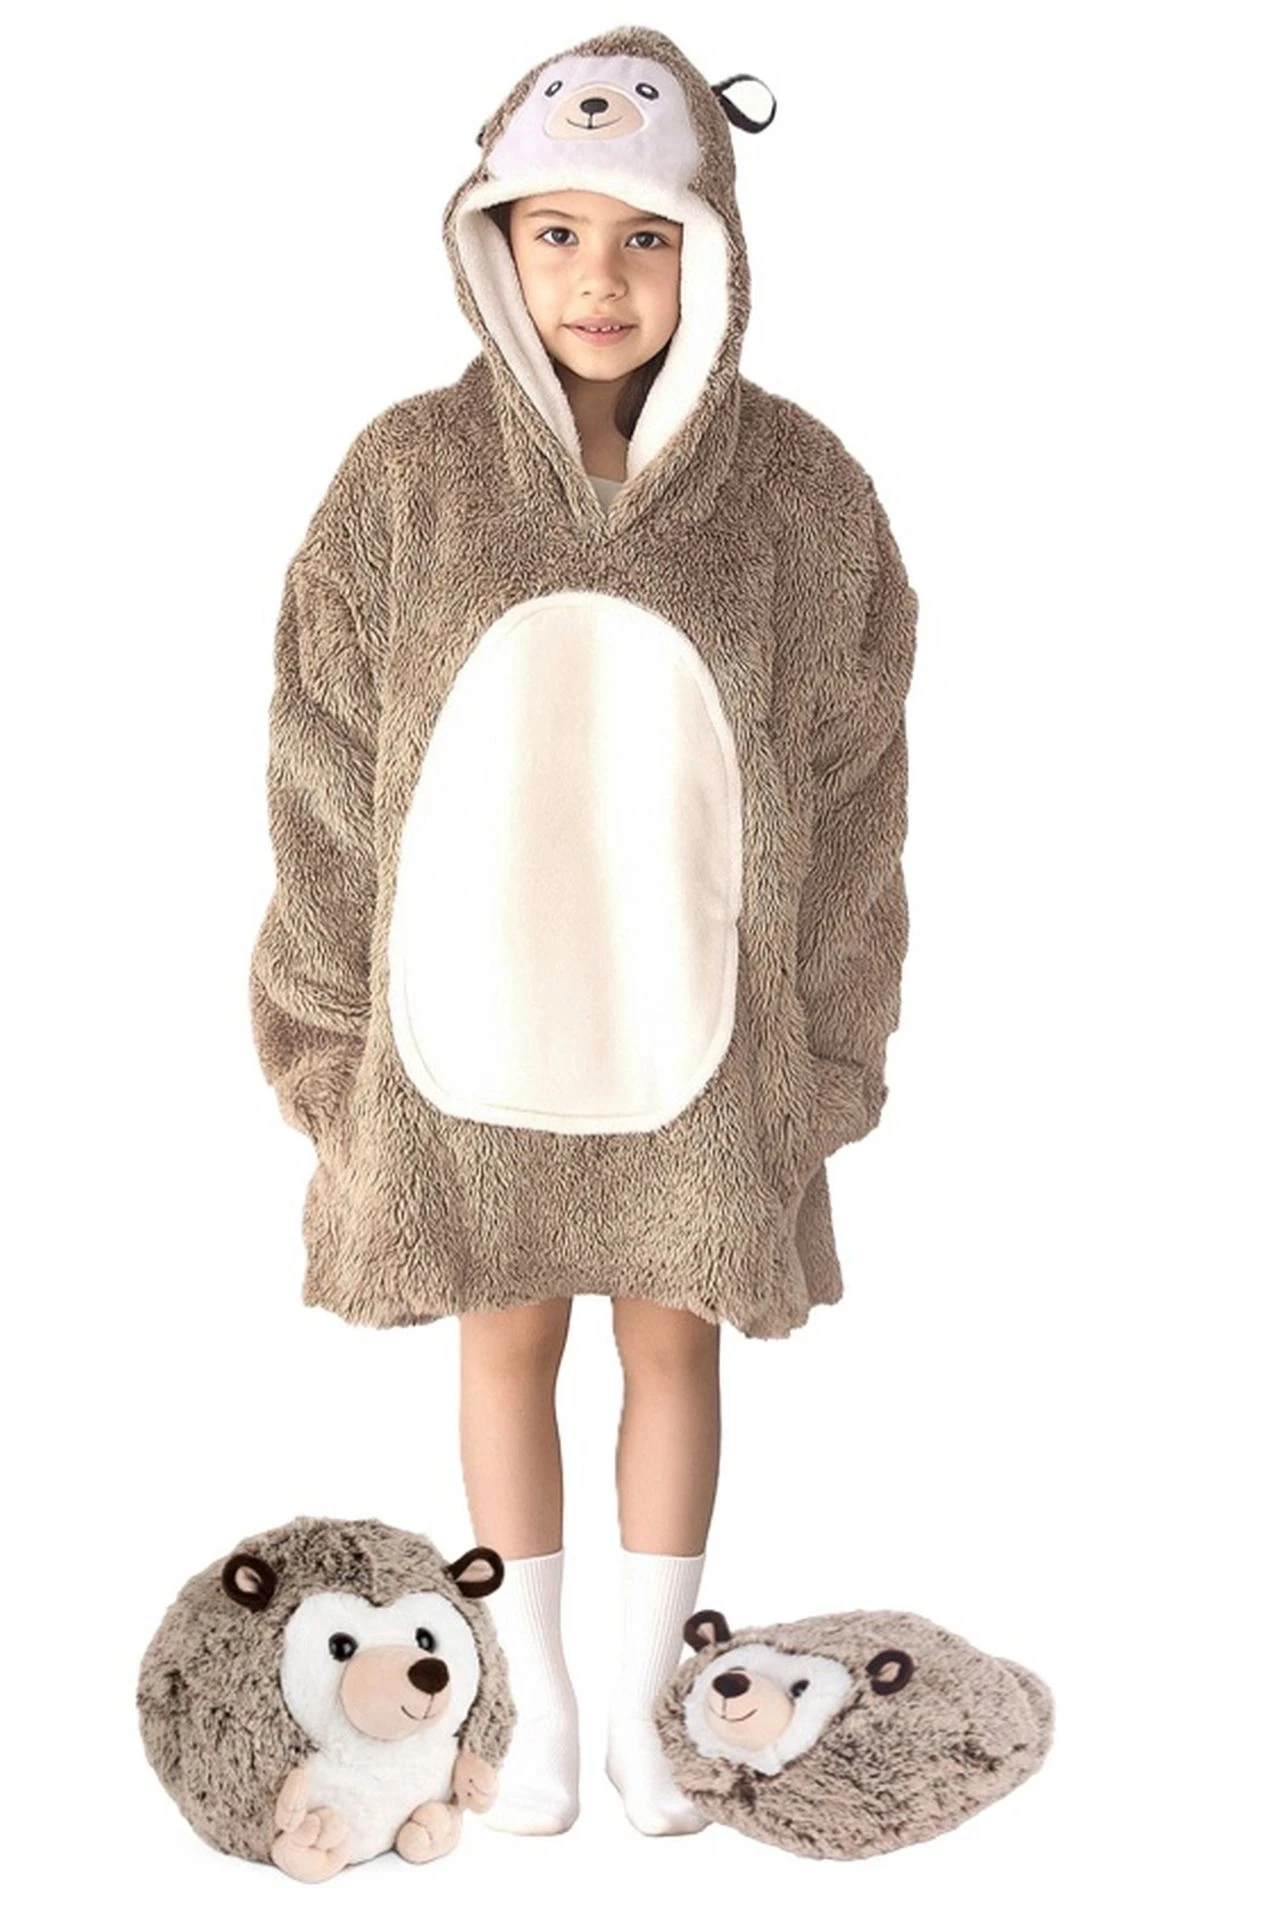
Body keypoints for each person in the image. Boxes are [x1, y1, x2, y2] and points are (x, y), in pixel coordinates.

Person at [248, 25, 918, 1842]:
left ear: (713, 250)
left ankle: (639, 1705)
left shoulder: (797, 494)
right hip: (469, 1024)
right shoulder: (406, 478)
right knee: (501, 1345)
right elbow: (322, 765)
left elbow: (856, 782)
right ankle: (529, 1699)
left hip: (694, 1017)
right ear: (492, 243)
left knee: (676, 1343)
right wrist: (327, 1035)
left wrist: (828, 1037)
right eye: (554, 233)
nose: (597, 279)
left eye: (643, 238)